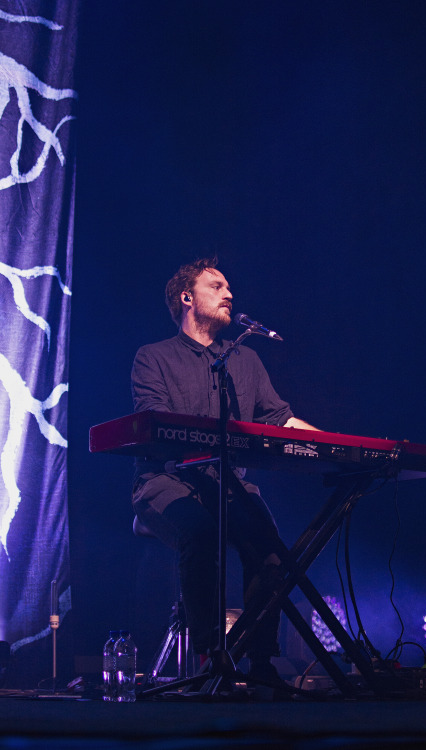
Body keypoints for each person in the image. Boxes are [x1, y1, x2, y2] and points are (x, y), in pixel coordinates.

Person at [131, 257, 317, 685]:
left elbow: (280, 418)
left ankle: (261, 663)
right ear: (186, 298)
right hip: (166, 479)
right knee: (201, 534)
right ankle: (209, 658)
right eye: (216, 286)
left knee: (271, 551)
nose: (228, 294)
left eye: (228, 287)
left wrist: (338, 444)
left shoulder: (246, 360)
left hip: (228, 485)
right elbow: (155, 421)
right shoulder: (152, 357)